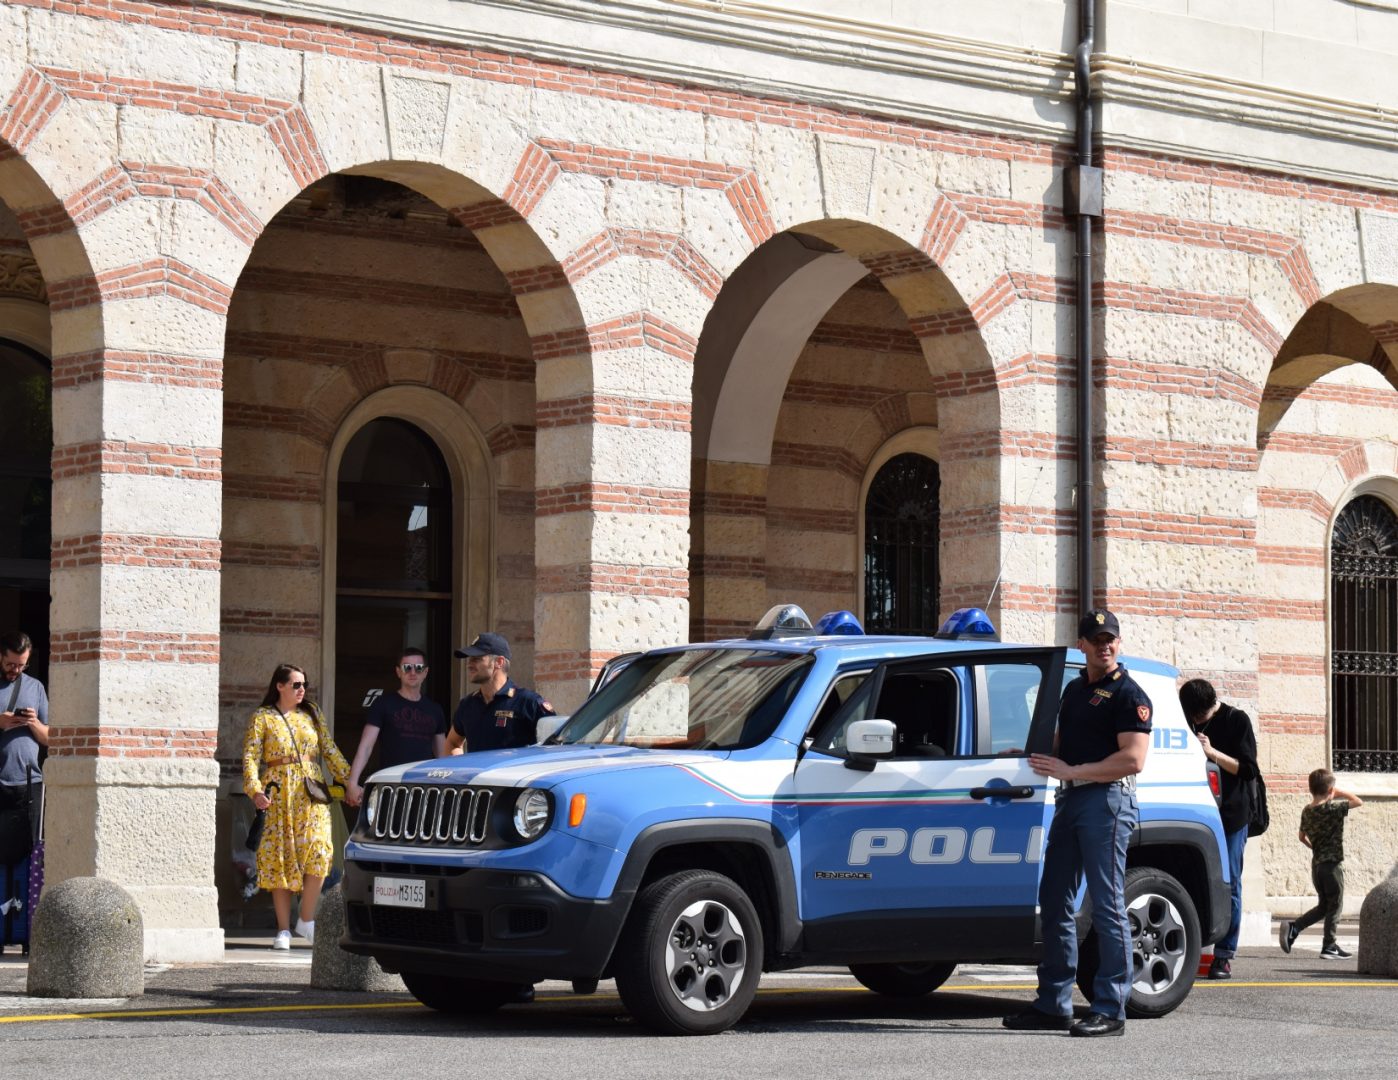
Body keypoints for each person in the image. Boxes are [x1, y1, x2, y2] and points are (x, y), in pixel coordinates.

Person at [1003, 608, 1152, 1039]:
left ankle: (1110, 1008)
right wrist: (1026, 755)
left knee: (1107, 904)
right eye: (1097, 639)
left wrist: (1071, 771)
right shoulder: (1074, 689)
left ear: (1118, 644)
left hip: (1106, 801)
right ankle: (1053, 1004)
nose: (1105, 645)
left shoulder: (1129, 694)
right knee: (1054, 899)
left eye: (1111, 639)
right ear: (1081, 645)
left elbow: (1133, 759)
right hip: (1071, 800)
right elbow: (1062, 744)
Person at [242, 663, 350, 950]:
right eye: (296, 684)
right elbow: (251, 757)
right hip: (278, 792)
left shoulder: (312, 713)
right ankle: (283, 930)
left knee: (319, 850)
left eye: (304, 685)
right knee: (280, 857)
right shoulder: (263, 717)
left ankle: (306, 919)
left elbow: (329, 749)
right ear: (280, 686)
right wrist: (255, 790)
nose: (302, 690)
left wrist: (350, 780)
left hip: (310, 790)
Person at [1178, 677, 1258, 980]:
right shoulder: (1189, 720)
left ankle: (1224, 956)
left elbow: (1248, 769)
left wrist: (1212, 753)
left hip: (1231, 817)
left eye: (1198, 716)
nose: (1195, 721)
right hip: (1197, 811)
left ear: (1208, 707)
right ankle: (1192, 948)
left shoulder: (1237, 720)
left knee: (1231, 882)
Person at [344, 647, 448, 808]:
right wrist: (352, 782)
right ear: (398, 672)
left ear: (425, 672)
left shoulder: (435, 710)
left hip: (425, 789)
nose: (413, 672)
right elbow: (366, 747)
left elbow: (442, 755)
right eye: (407, 667)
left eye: (418, 668)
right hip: (390, 786)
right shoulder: (383, 704)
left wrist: (447, 786)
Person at [1279, 768, 1363, 960]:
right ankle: (1329, 945)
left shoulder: (1307, 811)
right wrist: (1339, 792)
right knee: (1335, 904)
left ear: (1311, 789)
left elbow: (1301, 837)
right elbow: (1358, 801)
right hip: (1332, 865)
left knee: (1324, 906)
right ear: (1330, 790)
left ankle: (1294, 927)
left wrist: (1315, 848)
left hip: (1317, 865)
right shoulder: (1333, 809)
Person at [445, 633, 555, 754]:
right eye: (470, 659)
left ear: (499, 662)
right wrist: (461, 765)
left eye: (477, 658)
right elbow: (453, 742)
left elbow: (556, 746)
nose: (469, 664)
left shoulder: (528, 702)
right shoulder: (467, 705)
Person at [0, 631, 48, 866]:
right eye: (11, 664)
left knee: (28, 852)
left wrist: (33, 723)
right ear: (0, 656)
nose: (16, 670)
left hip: (29, 784)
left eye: (21, 665)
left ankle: (22, 891)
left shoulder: (35, 687)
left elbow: (49, 738)